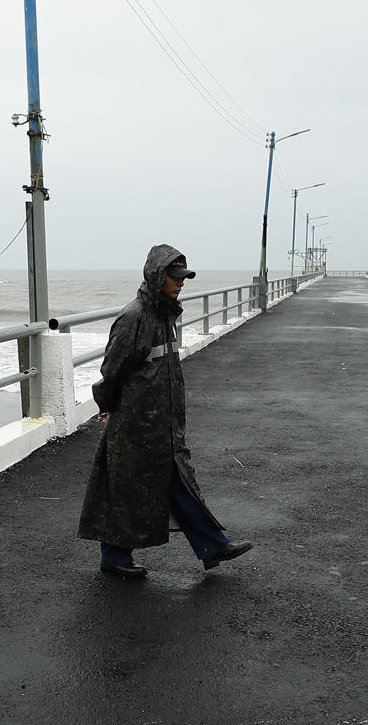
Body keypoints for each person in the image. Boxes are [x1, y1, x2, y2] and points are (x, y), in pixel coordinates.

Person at [77, 244, 253, 579]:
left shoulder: (163, 315)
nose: (181, 283)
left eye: (183, 277)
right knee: (124, 490)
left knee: (178, 484)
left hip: (164, 426)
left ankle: (213, 545)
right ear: (157, 276)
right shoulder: (134, 319)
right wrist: (106, 405)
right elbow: (111, 371)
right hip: (135, 427)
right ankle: (114, 557)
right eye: (174, 277)